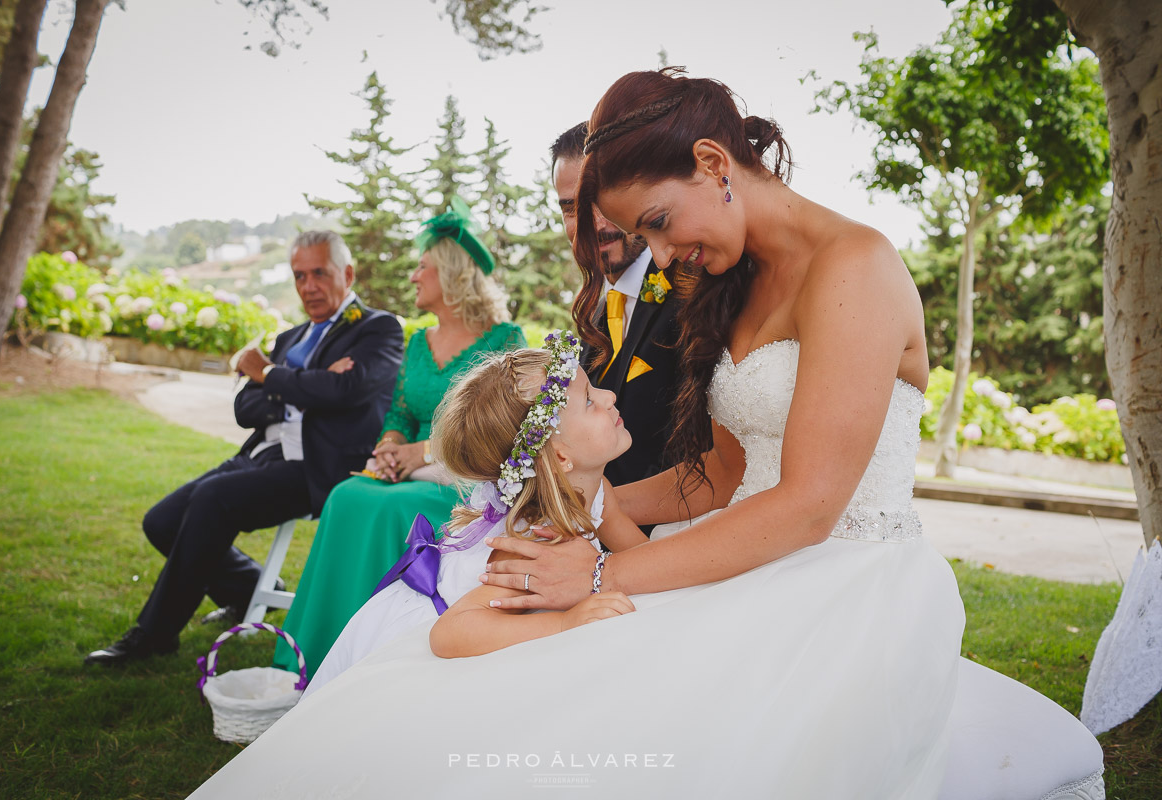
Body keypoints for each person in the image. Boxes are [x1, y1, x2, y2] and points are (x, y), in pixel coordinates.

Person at [188, 69, 964, 798]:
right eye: (643, 236)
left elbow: (808, 507)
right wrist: (560, 501)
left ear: (712, 161)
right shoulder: (734, 279)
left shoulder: (855, 266)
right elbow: (723, 477)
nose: (660, 255)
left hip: (845, 586)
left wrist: (595, 577)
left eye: (657, 223)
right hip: (740, 557)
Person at [85, 230, 404, 665]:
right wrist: (304, 386)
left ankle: (154, 634)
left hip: (317, 467)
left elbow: (345, 390)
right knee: (160, 521)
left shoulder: (378, 328)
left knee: (213, 499)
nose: (307, 286)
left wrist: (269, 375)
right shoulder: (291, 337)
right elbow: (244, 406)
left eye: (319, 274)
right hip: (263, 455)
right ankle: (247, 589)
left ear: (346, 274)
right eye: (298, 276)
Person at [302, 334, 644, 698]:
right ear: (561, 458)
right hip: (427, 638)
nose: (610, 397)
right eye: (590, 401)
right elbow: (450, 633)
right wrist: (565, 622)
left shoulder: (597, 491)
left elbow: (640, 559)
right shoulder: (531, 541)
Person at [274, 198, 526, 678]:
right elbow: (400, 414)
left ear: (451, 274)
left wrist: (424, 452)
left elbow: (502, 426)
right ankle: (319, 651)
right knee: (347, 495)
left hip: (469, 479)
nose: (413, 276)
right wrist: (391, 446)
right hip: (410, 470)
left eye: (422, 267)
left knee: (389, 507)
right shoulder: (416, 343)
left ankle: (378, 659)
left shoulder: (504, 339)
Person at [552, 123, 685, 490]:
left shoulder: (691, 293)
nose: (593, 224)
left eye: (602, 201)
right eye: (571, 207)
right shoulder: (593, 313)